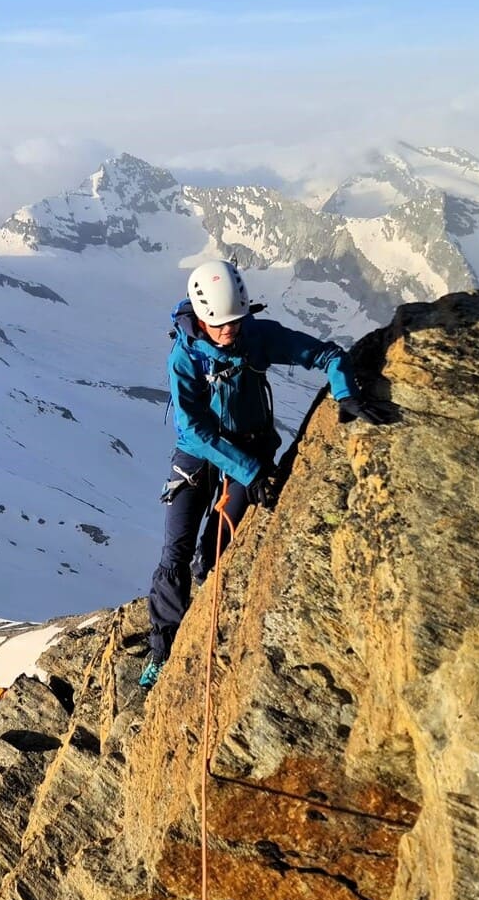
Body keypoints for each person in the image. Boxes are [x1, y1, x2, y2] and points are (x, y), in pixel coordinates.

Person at [140, 259, 389, 689]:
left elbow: (327, 355)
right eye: (219, 325)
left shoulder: (255, 337)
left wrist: (346, 394)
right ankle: (162, 649)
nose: (229, 332)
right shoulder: (184, 356)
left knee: (214, 551)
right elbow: (194, 430)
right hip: (205, 455)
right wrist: (251, 471)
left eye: (235, 321)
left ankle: (202, 605)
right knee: (174, 551)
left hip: (247, 451)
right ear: (200, 318)